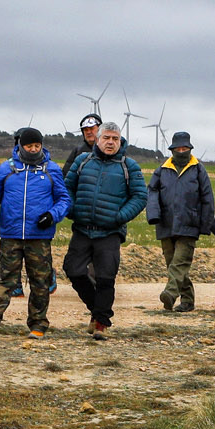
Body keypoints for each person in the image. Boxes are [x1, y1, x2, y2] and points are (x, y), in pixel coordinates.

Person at [0, 127, 72, 338]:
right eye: (29, 146)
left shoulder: (51, 169)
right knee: (4, 279)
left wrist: (52, 215)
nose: (33, 149)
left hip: (39, 236)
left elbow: (64, 200)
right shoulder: (7, 168)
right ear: (21, 146)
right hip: (11, 234)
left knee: (40, 282)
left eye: (37, 146)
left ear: (42, 146)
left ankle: (38, 325)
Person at [61, 122, 146, 338]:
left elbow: (140, 196)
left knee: (106, 278)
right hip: (82, 228)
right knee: (74, 270)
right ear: (97, 139)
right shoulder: (83, 161)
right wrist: (71, 210)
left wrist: (119, 217)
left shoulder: (129, 166)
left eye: (115, 139)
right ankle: (98, 311)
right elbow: (67, 188)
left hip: (109, 232)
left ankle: (101, 324)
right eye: (106, 137)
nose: (110, 142)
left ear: (120, 141)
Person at [147, 131, 214, 313]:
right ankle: (188, 300)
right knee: (172, 264)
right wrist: (153, 214)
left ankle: (169, 294)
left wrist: (206, 224)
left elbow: (207, 197)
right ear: (172, 149)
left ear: (190, 148)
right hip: (166, 224)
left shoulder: (198, 169)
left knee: (180, 263)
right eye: (178, 148)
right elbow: (152, 192)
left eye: (185, 148)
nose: (181, 151)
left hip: (189, 224)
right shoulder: (162, 169)